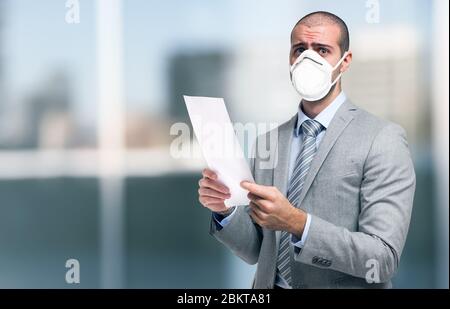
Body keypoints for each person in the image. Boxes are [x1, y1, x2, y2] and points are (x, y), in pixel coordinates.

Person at [198, 11, 416, 289]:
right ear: (290, 58)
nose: (307, 60)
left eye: (322, 50)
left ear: (345, 61)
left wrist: (298, 224)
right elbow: (256, 250)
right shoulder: (268, 141)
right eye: (299, 50)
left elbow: (382, 259)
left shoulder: (383, 139)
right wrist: (225, 210)